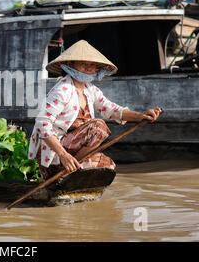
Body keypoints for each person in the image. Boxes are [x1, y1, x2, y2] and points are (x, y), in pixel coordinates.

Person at [28, 40, 162, 180]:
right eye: (83, 64)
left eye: (92, 65)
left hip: (71, 153)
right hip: (54, 154)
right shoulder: (63, 90)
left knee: (107, 165)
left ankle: (72, 172)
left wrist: (141, 115)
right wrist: (64, 156)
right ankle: (65, 169)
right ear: (70, 65)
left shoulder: (90, 90)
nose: (88, 68)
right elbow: (42, 123)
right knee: (98, 127)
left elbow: (113, 110)